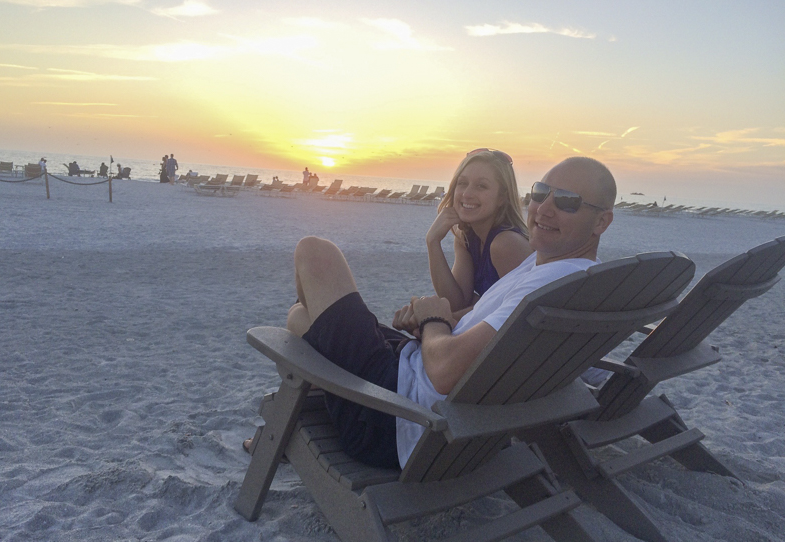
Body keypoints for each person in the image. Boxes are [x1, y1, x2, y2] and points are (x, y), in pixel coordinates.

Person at [243, 156, 616, 469]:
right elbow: (488, 326)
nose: (544, 208)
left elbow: (443, 372)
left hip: (399, 414)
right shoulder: (560, 273)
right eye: (539, 193)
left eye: (567, 201)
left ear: (601, 221)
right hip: (427, 388)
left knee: (315, 251)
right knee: (301, 318)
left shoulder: (549, 285)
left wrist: (433, 320)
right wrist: (438, 319)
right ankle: (307, 406)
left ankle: (288, 424)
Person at [427, 149, 532, 318]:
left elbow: (516, 311)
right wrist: (433, 242)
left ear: (502, 197)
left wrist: (439, 318)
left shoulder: (506, 243)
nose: (467, 194)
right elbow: (457, 302)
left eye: (481, 186)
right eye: (462, 183)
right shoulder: (467, 238)